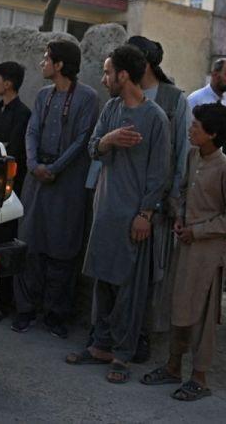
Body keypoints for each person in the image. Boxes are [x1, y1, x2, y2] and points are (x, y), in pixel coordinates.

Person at [64, 45, 170, 385]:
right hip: (106, 209)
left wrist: (146, 213)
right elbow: (93, 147)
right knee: (103, 281)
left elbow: (160, 172)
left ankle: (122, 354)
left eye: (108, 72)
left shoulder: (155, 118)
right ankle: (99, 345)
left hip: (134, 215)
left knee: (129, 286)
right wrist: (109, 138)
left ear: (123, 75)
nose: (104, 78)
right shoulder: (111, 108)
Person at [139, 104, 226, 402]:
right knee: (179, 307)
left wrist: (198, 230)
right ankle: (173, 366)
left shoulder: (225, 168)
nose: (191, 130)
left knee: (202, 316)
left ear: (212, 134)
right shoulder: (192, 156)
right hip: (185, 246)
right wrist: (180, 215)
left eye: (196, 127)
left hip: (208, 253)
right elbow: (185, 191)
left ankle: (199, 377)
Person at [14, 41, 98, 338]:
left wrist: (55, 168)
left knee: (62, 249)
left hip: (66, 183)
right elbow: (32, 130)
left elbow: (81, 141)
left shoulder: (88, 98)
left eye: (47, 58)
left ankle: (55, 314)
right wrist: (34, 163)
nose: (43, 63)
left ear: (60, 64)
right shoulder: (42, 96)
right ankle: (25, 310)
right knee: (30, 243)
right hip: (37, 179)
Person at [125, 35, 189, 361]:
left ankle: (143, 335)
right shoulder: (123, 97)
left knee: (153, 274)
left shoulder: (174, 100)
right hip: (124, 199)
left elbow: (182, 156)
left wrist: (173, 203)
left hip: (159, 206)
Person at [0, 61, 33, 322]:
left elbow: (12, 153)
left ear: (9, 83)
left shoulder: (22, 114)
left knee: (3, 245)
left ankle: (2, 303)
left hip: (7, 192)